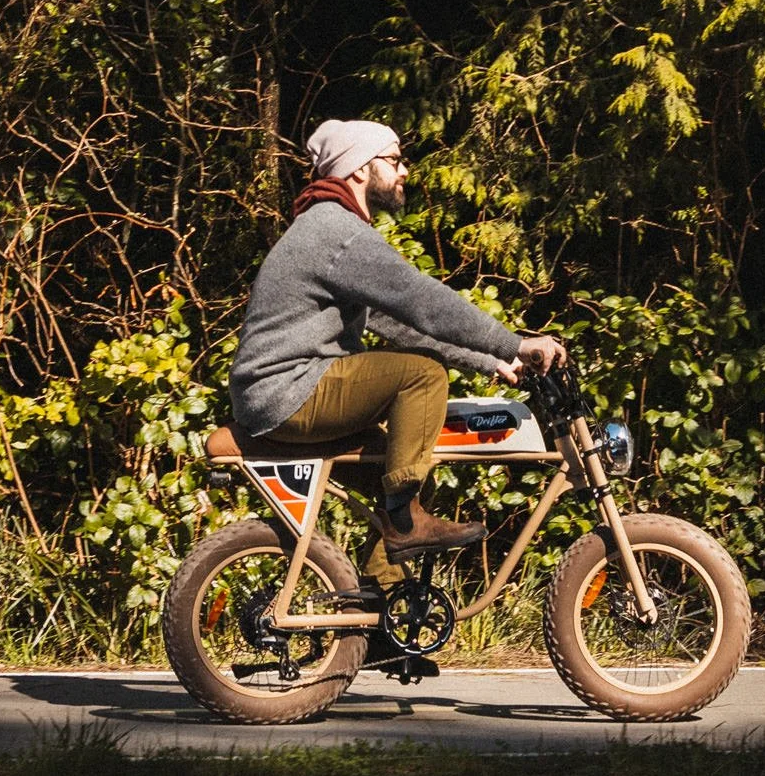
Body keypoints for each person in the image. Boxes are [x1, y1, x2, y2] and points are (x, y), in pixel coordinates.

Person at [230, 118, 565, 580]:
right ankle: (406, 522)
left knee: (388, 478)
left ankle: (383, 628)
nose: (405, 169)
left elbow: (400, 324)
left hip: (283, 391)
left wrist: (492, 359)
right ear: (359, 169)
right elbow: (421, 300)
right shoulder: (335, 230)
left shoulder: (331, 227)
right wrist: (516, 341)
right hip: (288, 390)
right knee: (421, 374)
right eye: (394, 159)